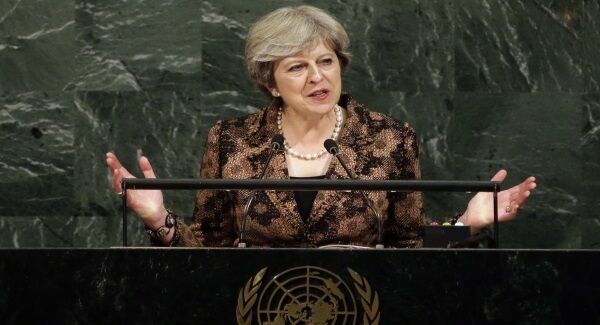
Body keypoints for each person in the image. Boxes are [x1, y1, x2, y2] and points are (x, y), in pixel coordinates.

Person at [106, 5, 536, 247]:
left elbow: (409, 249)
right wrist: (158, 217)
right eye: (297, 66)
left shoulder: (389, 139)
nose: (317, 77)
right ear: (269, 83)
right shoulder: (231, 141)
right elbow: (210, 251)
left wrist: (468, 224)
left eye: (326, 61)